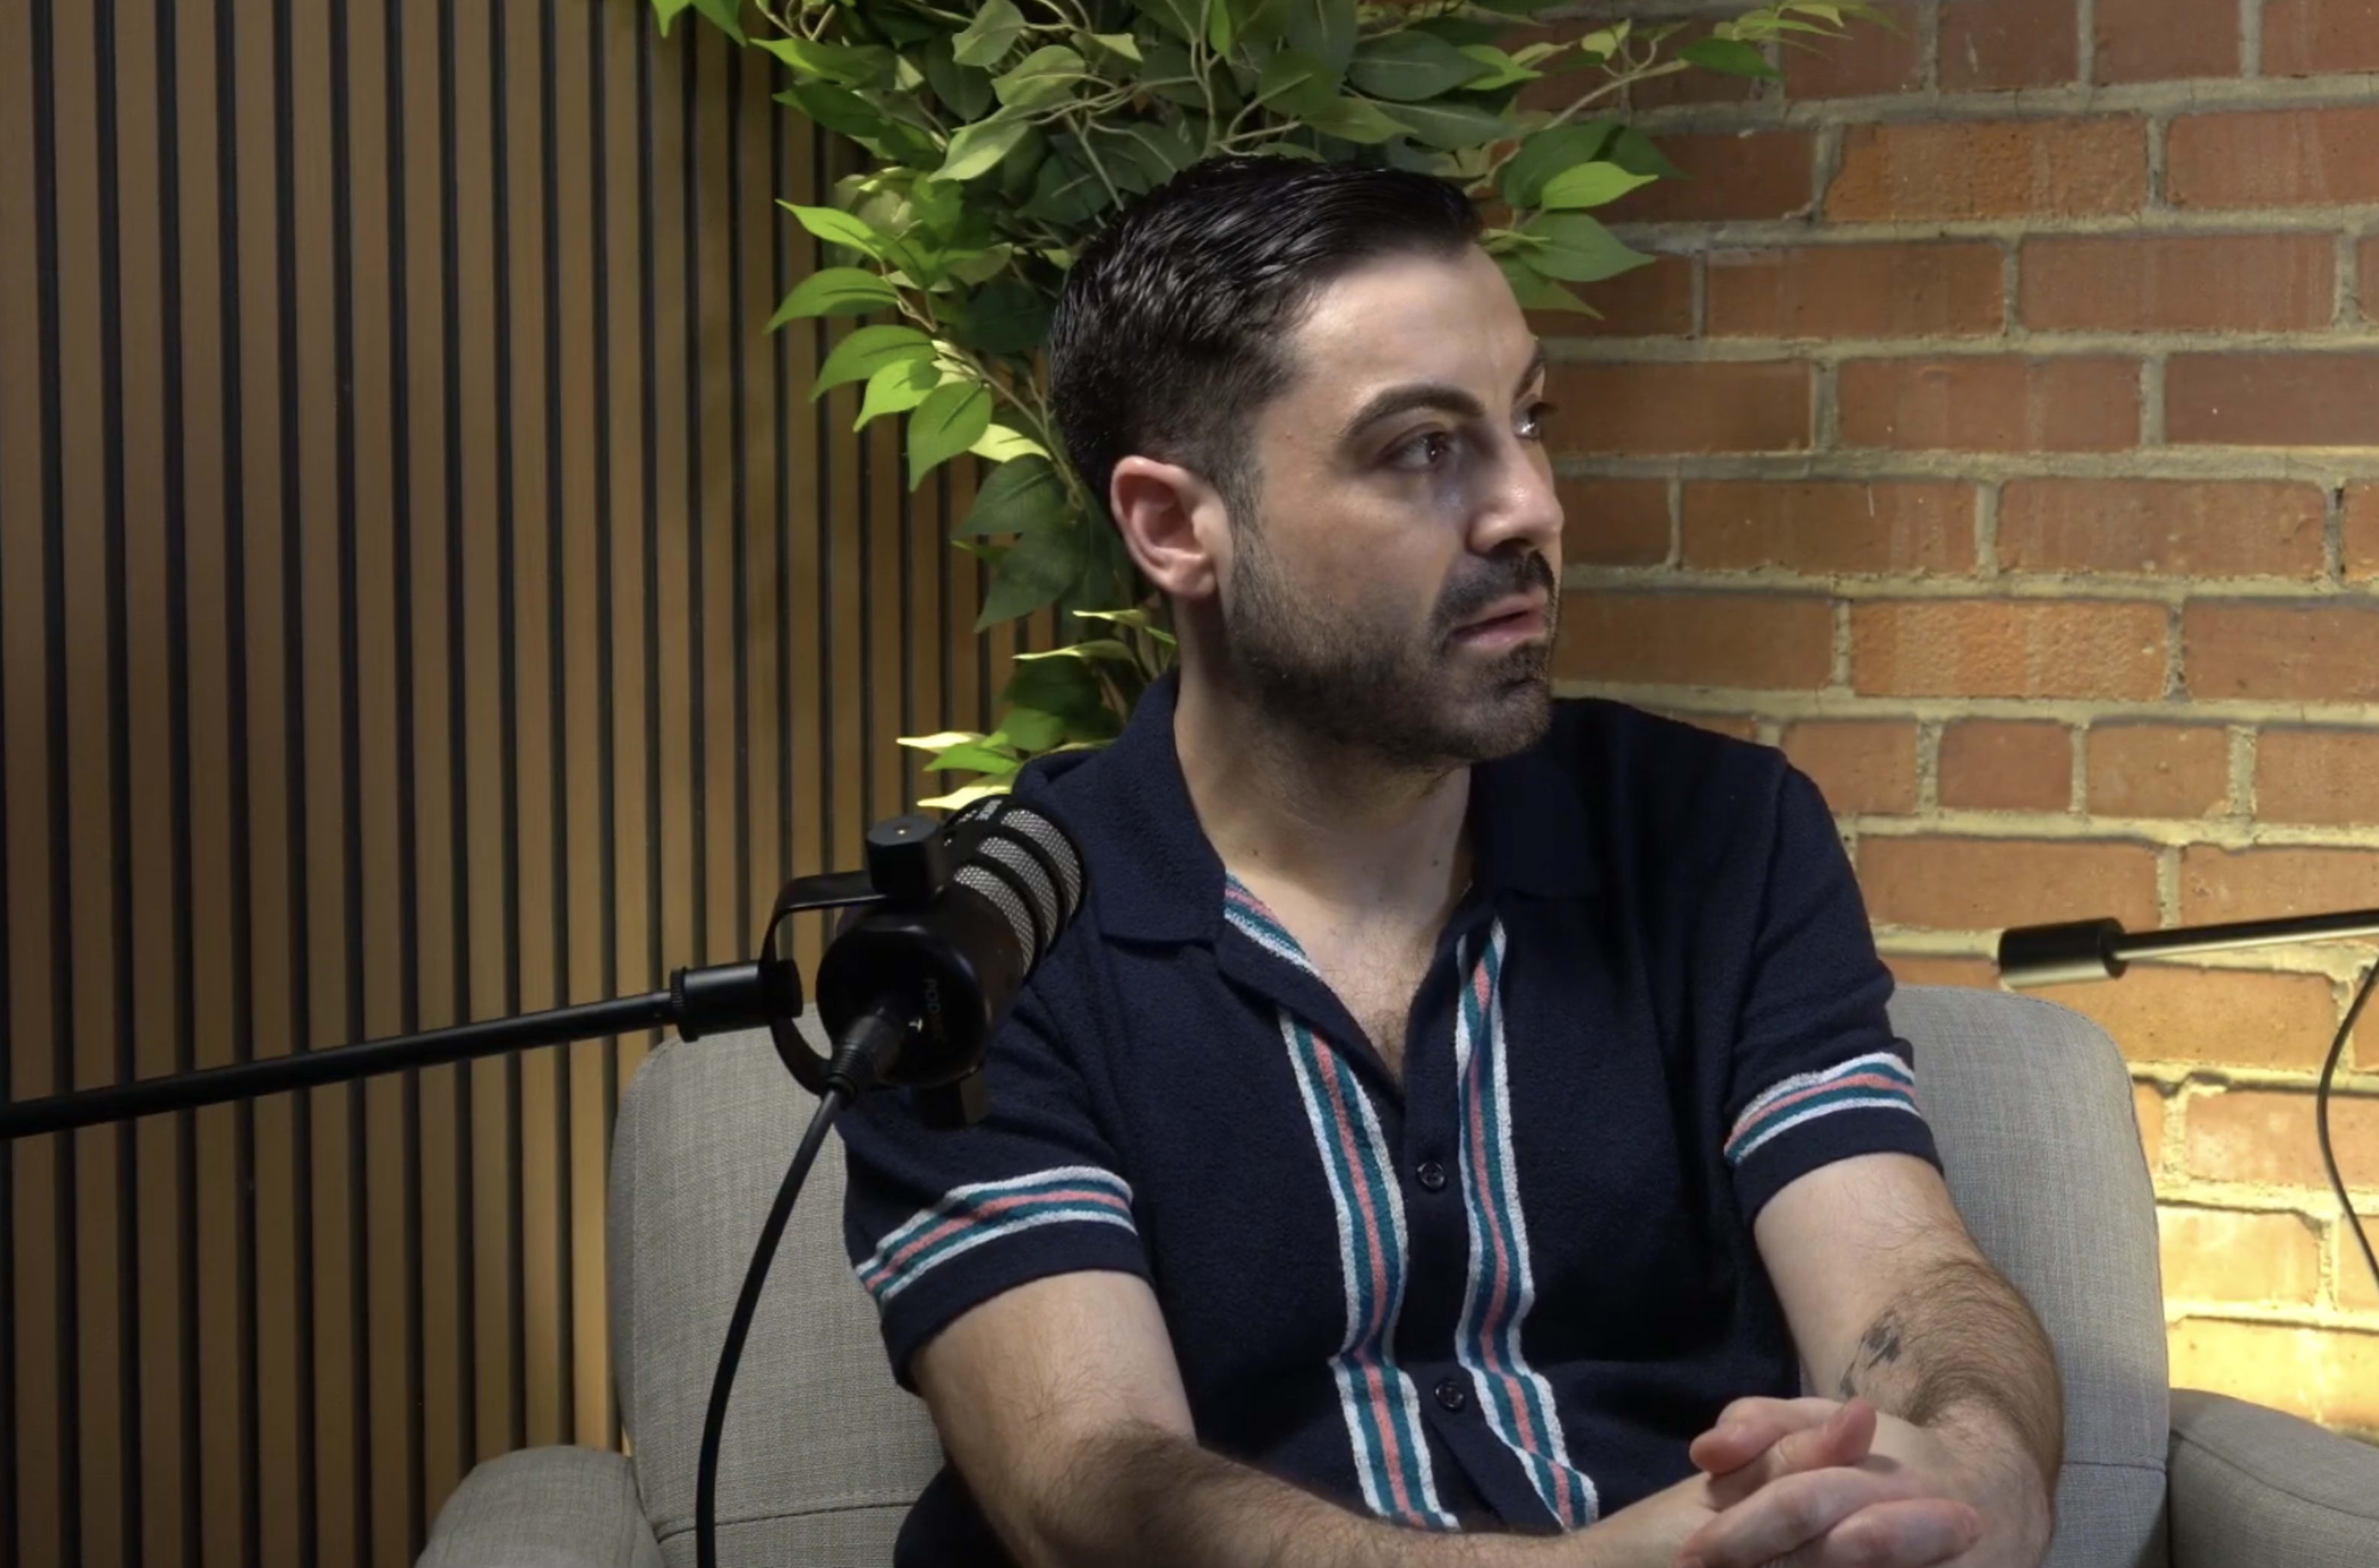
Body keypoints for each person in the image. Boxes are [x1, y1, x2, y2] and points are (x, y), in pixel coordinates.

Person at [836, 155, 2061, 1568]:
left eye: (1529, 421)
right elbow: (1091, 1486)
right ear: (1175, 527)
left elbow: (1909, 1283)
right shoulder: (985, 949)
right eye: (1422, 448)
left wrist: (1978, 1474)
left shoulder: (1718, 834)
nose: (1529, 507)